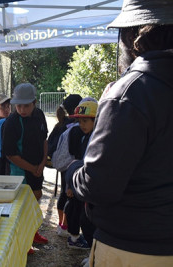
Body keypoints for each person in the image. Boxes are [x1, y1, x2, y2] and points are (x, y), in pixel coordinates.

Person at [70, 0, 173, 265]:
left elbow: (97, 185)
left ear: (131, 36)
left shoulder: (131, 92)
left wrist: (73, 171)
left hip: (134, 249)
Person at [2, 83, 49, 252]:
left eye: (26, 105)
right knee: (20, 206)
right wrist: (31, 168)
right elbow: (10, 154)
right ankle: (23, 240)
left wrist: (43, 162)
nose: (22, 109)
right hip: (19, 170)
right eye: (18, 105)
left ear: (34, 103)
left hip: (37, 167)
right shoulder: (11, 122)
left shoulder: (39, 115)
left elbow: (44, 139)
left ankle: (33, 232)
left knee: (36, 196)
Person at [61, 99, 98, 250]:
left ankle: (93, 253)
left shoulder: (97, 139)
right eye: (80, 121)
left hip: (92, 188)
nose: (81, 125)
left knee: (89, 221)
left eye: (85, 121)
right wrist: (71, 184)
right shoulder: (83, 137)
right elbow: (78, 162)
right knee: (81, 217)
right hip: (82, 184)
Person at [47, 94, 82, 237]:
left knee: (63, 193)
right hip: (73, 165)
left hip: (62, 165)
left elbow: (50, 143)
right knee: (70, 195)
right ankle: (65, 226)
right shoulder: (77, 125)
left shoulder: (61, 123)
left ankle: (61, 224)